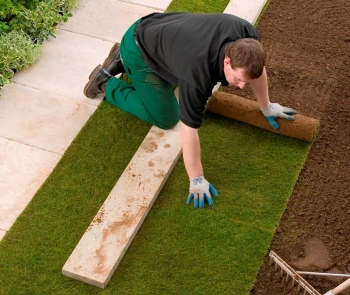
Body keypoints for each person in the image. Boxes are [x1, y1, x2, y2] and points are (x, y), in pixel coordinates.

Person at [83, 12, 297, 209]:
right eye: (239, 79)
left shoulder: (247, 37)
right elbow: (189, 130)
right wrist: (196, 177)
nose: (242, 87)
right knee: (166, 117)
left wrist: (266, 106)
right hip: (139, 47)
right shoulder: (198, 75)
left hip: (160, 30)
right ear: (227, 60)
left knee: (175, 79)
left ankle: (122, 59)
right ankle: (106, 81)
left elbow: (256, 72)